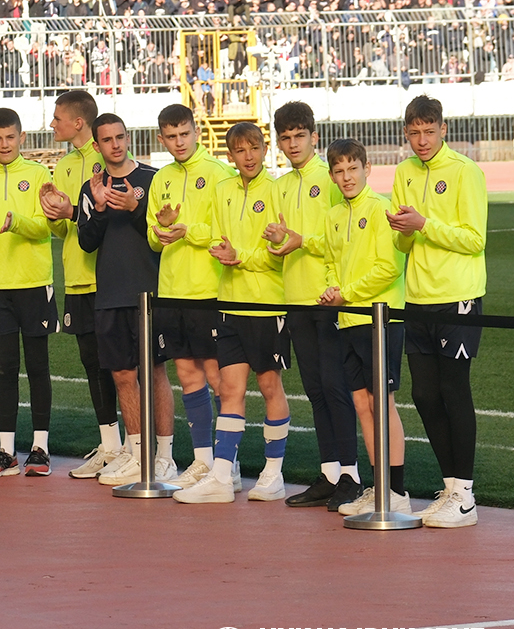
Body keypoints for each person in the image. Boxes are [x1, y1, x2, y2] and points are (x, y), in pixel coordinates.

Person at [174, 122, 291, 504]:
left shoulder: (277, 191)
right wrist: (196, 237)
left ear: (264, 147)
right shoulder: (222, 190)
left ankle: (273, 474)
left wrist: (242, 257)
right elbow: (215, 236)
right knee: (231, 390)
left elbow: (281, 256)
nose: (250, 156)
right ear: (231, 156)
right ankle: (223, 476)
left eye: (255, 147)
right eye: (241, 150)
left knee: (270, 386)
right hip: (229, 304)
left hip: (267, 304)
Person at [388, 95, 487, 528]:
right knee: (425, 395)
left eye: (429, 131)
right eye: (414, 132)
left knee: (453, 390)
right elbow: (401, 244)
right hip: (417, 298)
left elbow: (474, 239)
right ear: (405, 133)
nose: (422, 140)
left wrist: (424, 224)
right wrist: (405, 231)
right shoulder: (404, 172)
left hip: (458, 296)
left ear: (443, 129)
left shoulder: (466, 171)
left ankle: (465, 493)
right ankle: (451, 488)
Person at [265, 101, 356, 510]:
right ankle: (329, 473)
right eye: (285, 137)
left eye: (300, 135)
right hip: (295, 299)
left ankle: (351, 477)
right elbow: (279, 245)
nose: (293, 143)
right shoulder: (280, 185)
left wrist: (336, 284)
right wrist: (274, 240)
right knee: (316, 390)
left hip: (330, 298)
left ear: (314, 137)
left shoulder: (332, 177)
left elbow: (344, 239)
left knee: (338, 388)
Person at [75, 114, 175, 486]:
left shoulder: (152, 180)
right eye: (107, 140)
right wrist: (100, 208)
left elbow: (159, 233)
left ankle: (163, 456)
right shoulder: (92, 187)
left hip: (149, 293)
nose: (115, 144)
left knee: (155, 371)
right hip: (110, 294)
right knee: (121, 375)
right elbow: (87, 242)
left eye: (120, 137)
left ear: (128, 138)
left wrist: (134, 210)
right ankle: (137, 454)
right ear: (97, 146)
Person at [320, 139, 412, 517]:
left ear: (367, 168)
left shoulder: (380, 209)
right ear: (332, 176)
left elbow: (389, 268)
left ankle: (398, 491)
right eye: (339, 171)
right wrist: (330, 289)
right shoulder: (332, 216)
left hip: (379, 320)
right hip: (347, 320)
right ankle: (378, 487)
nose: (346, 177)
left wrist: (347, 294)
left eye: (352, 169)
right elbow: (329, 261)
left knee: (382, 404)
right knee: (362, 403)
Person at [146, 104, 235, 485]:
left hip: (208, 290)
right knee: (186, 374)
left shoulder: (219, 174)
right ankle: (202, 460)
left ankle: (226, 467)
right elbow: (152, 235)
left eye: (184, 134)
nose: (179, 142)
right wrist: (161, 232)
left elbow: (226, 229)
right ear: (161, 138)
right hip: (171, 290)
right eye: (171, 136)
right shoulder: (161, 177)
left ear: (196, 132)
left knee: (217, 377)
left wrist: (186, 231)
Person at [0, 108, 54, 478]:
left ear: (22, 138)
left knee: (37, 366)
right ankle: (5, 451)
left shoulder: (37, 174)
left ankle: (40, 448)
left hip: (34, 283)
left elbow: (44, 229)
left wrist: (13, 221)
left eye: (10, 137)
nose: (4, 145)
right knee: (4, 368)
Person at [40, 89, 121, 479]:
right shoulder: (64, 164)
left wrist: (70, 210)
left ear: (77, 122)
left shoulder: (104, 159)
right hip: (76, 277)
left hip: (105, 278)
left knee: (119, 367)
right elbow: (63, 228)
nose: (51, 124)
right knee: (93, 364)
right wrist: (53, 212)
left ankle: (132, 446)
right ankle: (110, 445)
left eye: (56, 118)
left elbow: (101, 218)